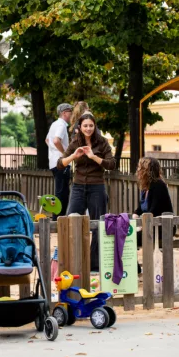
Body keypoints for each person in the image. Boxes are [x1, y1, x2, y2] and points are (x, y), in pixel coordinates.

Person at [58, 113, 115, 271]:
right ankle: (70, 260)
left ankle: (94, 264)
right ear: (80, 127)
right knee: (70, 220)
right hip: (78, 186)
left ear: (94, 126)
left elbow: (111, 164)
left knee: (98, 224)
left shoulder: (102, 142)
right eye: (85, 126)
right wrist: (73, 156)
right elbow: (60, 164)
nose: (88, 128)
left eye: (91, 125)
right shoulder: (75, 142)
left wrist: (93, 157)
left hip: (97, 186)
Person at [132, 157, 175, 246]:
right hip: (151, 225)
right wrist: (135, 214)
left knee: (130, 238)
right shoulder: (146, 187)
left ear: (147, 171)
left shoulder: (159, 185)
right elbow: (141, 207)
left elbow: (154, 211)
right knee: (126, 235)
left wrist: (141, 225)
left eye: (140, 168)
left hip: (162, 227)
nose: (138, 170)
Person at [45, 103, 73, 220]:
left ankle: (56, 218)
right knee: (62, 193)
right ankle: (58, 219)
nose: (72, 115)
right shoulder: (61, 125)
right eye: (70, 112)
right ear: (64, 113)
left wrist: (53, 152)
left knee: (59, 191)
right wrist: (65, 154)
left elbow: (47, 140)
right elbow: (56, 140)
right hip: (61, 163)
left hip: (53, 162)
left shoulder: (54, 124)